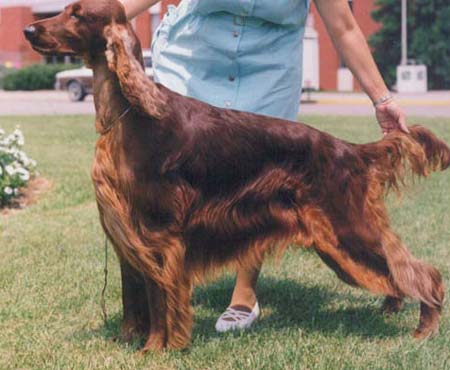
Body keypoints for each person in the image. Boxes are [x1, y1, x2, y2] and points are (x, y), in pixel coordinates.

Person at [119, 0, 409, 332]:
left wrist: (382, 99)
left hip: (269, 63)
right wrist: (100, 16)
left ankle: (243, 296)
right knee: (177, 182)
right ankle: (170, 285)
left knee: (263, 179)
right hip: (196, 57)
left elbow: (343, 26)